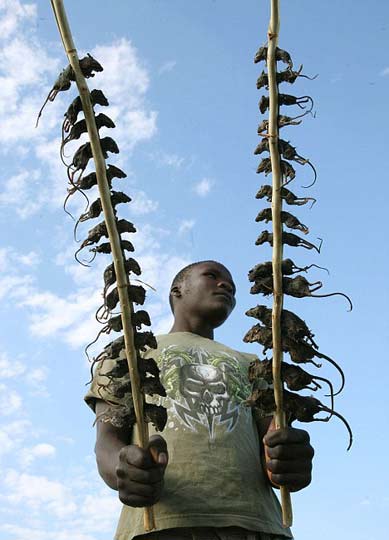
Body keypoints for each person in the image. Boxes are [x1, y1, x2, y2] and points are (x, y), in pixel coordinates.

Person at [85, 260, 314, 540]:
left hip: (259, 526)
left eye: (232, 284)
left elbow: (273, 443)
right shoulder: (130, 353)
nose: (226, 285)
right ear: (177, 290)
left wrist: (290, 460)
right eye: (212, 275)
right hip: (161, 524)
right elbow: (106, 441)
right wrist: (125, 469)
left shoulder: (255, 364)